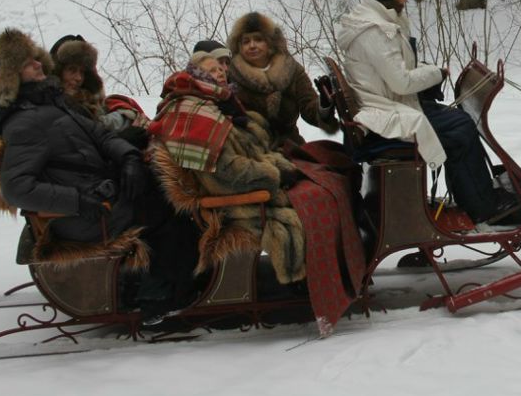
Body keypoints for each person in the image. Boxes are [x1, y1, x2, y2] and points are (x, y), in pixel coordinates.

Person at [0, 28, 197, 322]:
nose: (38, 64)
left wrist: (129, 157)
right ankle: (157, 299)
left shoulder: (53, 103)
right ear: (13, 77)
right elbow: (16, 187)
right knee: (176, 212)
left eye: (36, 59)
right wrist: (79, 201)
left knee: (171, 191)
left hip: (102, 195)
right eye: (28, 64)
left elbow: (101, 136)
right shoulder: (25, 122)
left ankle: (163, 279)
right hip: (87, 215)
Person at [149, 52, 365, 336]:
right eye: (213, 69)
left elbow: (251, 148)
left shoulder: (215, 102)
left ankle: (339, 270)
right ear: (196, 74)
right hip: (238, 202)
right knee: (317, 201)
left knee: (328, 178)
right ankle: (315, 281)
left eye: (223, 67)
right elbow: (229, 172)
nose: (222, 72)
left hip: (252, 185)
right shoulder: (197, 112)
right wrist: (275, 175)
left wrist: (270, 156)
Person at [336, 0, 517, 225]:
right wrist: (436, 74)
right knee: (460, 127)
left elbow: (395, 72)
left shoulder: (374, 23)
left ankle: (475, 195)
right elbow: (401, 82)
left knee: (457, 121)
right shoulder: (376, 31)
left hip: (386, 102)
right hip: (385, 111)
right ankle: (482, 205)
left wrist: (430, 73)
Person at [226, 12, 338, 148]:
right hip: (249, 149)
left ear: (270, 42)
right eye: (246, 41)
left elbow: (310, 109)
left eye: (258, 39)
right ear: (238, 46)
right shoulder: (229, 74)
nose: (252, 45)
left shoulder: (292, 69)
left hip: (291, 145)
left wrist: (324, 104)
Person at [49, 33, 151, 147]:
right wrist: (121, 141)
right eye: (72, 70)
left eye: (82, 72)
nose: (78, 78)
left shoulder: (93, 106)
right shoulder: (51, 107)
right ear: (58, 72)